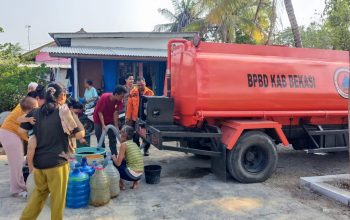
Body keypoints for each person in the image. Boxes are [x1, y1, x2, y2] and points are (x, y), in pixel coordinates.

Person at [19, 83, 85, 220]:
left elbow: (21, 130)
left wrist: (33, 137)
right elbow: (80, 135)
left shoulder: (35, 112)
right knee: (57, 200)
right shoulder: (64, 112)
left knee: (39, 195)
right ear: (62, 96)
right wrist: (72, 121)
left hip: (39, 164)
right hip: (57, 163)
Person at [0, 96, 38, 198]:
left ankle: (20, 186)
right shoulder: (25, 114)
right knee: (16, 164)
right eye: (36, 106)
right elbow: (21, 132)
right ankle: (17, 190)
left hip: (8, 133)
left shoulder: (24, 107)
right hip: (9, 134)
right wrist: (31, 141)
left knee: (19, 161)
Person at [93, 85, 127, 155]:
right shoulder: (104, 97)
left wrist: (116, 126)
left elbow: (115, 113)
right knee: (100, 137)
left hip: (110, 119)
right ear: (116, 94)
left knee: (113, 137)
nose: (122, 98)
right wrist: (103, 125)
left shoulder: (119, 100)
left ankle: (114, 154)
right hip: (99, 120)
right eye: (121, 96)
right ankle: (103, 155)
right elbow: (100, 112)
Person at [126, 77, 154, 156]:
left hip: (146, 118)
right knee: (135, 135)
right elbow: (129, 106)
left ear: (144, 83)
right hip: (136, 118)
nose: (140, 87)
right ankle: (137, 150)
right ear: (136, 85)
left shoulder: (150, 93)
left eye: (141, 85)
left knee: (147, 135)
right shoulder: (133, 92)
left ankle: (146, 150)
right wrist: (128, 118)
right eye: (138, 85)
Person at [111, 125, 144, 190]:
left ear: (125, 135)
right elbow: (128, 159)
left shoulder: (124, 145)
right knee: (128, 162)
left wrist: (113, 157)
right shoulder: (134, 144)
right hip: (140, 175)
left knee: (112, 162)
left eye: (121, 133)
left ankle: (121, 185)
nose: (120, 134)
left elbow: (118, 163)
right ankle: (135, 183)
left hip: (131, 176)